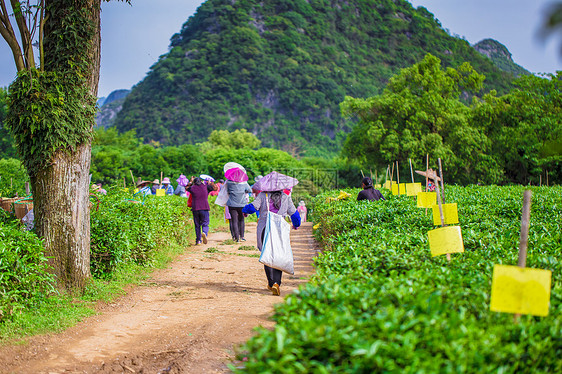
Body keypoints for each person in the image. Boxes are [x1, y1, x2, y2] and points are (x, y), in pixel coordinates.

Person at [243, 189, 301, 296]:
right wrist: (296, 224)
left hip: (265, 227)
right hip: (279, 229)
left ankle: (271, 282)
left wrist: (244, 210)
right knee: (278, 255)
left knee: (267, 254)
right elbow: (294, 213)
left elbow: (252, 207)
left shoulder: (262, 195)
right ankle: (277, 283)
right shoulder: (286, 196)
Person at [187, 176, 217, 245]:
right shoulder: (206, 187)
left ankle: (198, 240)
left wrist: (190, 182)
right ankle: (204, 232)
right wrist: (210, 183)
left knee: (197, 225)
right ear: (201, 181)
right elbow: (215, 188)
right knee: (205, 223)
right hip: (204, 207)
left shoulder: (192, 188)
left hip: (195, 208)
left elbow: (186, 188)